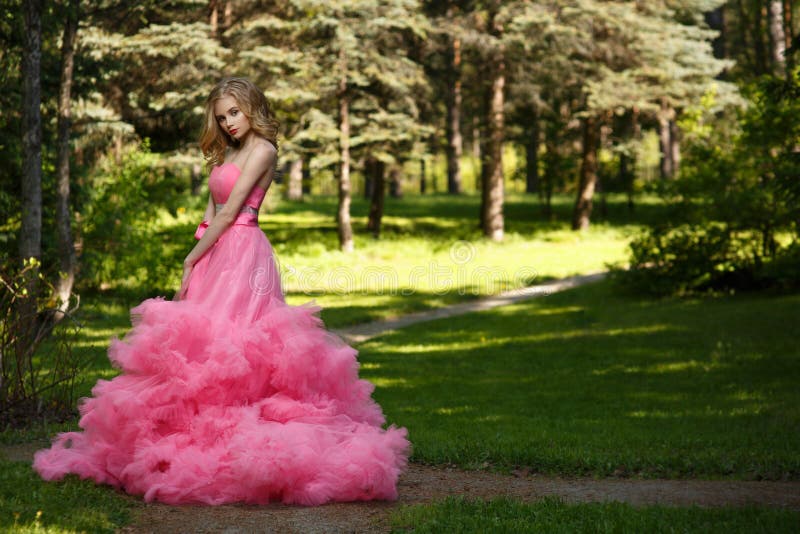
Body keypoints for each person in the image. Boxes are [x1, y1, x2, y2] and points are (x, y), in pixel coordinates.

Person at [33, 77, 410, 506]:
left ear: (251, 107)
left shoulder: (264, 150)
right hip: (217, 251)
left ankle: (244, 435)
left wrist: (191, 258)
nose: (229, 123)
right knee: (199, 345)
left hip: (245, 253)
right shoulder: (228, 151)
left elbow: (232, 211)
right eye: (221, 117)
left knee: (237, 344)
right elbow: (211, 210)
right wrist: (199, 255)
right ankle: (184, 436)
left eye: (234, 112)